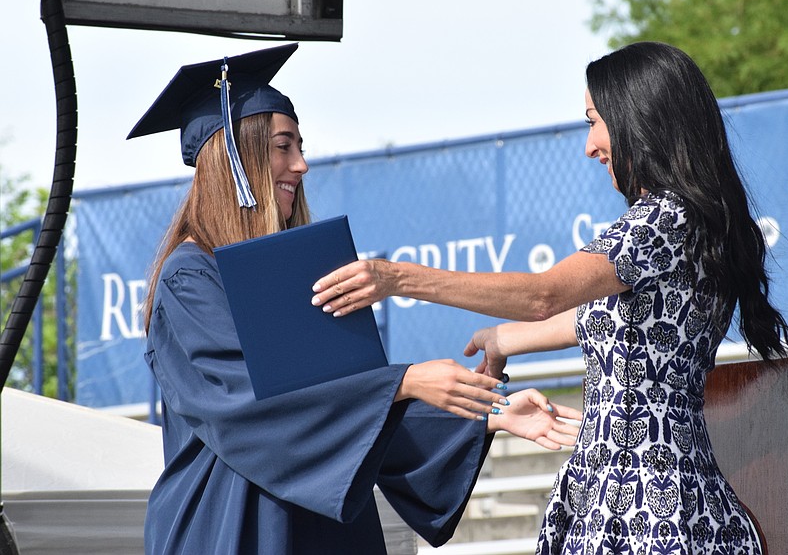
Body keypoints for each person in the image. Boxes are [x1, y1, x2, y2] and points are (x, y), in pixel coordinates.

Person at [311, 41, 788, 554]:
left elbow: (545, 295)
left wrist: (398, 278)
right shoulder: (693, 225)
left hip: (641, 506)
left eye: (594, 121)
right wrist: (503, 340)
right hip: (651, 495)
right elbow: (598, 320)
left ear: (641, 117)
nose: (589, 145)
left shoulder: (660, 221)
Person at [128, 43, 581, 555]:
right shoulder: (189, 280)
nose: (300, 164)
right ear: (235, 159)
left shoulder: (290, 274)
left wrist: (488, 411)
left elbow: (346, 412)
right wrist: (405, 381)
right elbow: (258, 406)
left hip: (319, 530)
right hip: (233, 527)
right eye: (283, 146)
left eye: (300, 146)